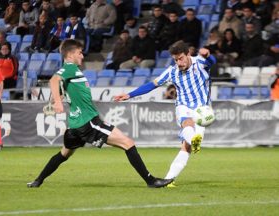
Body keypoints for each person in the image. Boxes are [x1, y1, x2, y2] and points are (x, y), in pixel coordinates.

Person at [27, 39, 173, 188]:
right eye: (79, 52)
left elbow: (59, 90)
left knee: (64, 154)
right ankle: (151, 181)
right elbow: (53, 80)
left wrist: (57, 99)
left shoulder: (72, 72)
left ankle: (38, 180)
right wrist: (57, 102)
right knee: (128, 143)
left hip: (75, 125)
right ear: (70, 55)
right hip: (88, 122)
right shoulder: (69, 68)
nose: (82, 56)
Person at [114, 41, 216, 187]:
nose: (178, 63)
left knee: (186, 147)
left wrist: (209, 56)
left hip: (202, 110)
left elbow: (212, 63)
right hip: (183, 106)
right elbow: (152, 85)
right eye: (175, 60)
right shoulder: (172, 71)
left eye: (181, 58)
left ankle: (169, 178)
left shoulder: (199, 62)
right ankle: (193, 139)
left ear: (188, 54)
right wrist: (129, 95)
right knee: (187, 123)